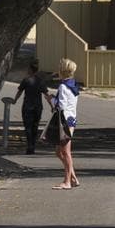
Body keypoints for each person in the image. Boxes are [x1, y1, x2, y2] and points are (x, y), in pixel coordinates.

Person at [50, 58, 80, 190]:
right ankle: (72, 176)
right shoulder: (74, 85)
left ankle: (67, 181)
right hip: (71, 119)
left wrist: (51, 100)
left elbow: (61, 105)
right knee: (58, 151)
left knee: (66, 152)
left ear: (62, 71)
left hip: (64, 121)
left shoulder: (63, 86)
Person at [12, 60, 48, 153]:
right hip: (38, 107)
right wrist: (52, 105)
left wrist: (15, 100)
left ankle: (29, 146)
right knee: (35, 127)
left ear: (31, 70)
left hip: (27, 107)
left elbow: (19, 92)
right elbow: (46, 94)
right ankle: (33, 145)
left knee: (28, 127)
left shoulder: (26, 80)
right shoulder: (40, 81)